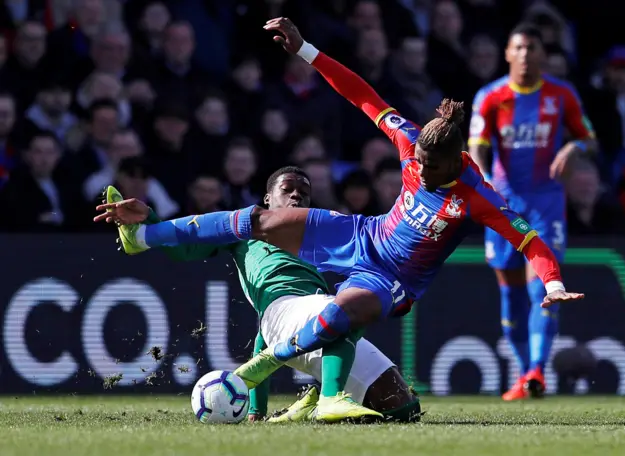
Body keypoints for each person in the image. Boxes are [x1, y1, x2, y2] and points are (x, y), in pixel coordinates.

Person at [96, 18, 583, 415]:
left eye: (435, 170)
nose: (423, 172)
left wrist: (553, 282)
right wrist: (306, 50)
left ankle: (267, 371)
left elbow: (531, 242)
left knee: (344, 316)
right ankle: (144, 234)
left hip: (391, 278)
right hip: (363, 234)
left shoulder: (478, 195)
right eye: (420, 165)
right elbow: (361, 94)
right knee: (260, 220)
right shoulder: (413, 144)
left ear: (458, 162)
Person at [98, 166, 419, 424]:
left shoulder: (316, 236)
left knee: (403, 408)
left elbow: (263, 342)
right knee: (345, 308)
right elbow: (187, 248)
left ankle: (316, 399)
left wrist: (256, 412)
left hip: (314, 322)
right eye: (288, 190)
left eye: (304, 193)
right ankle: (329, 398)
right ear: (267, 199)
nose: (296, 196)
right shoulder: (246, 231)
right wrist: (150, 222)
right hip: (292, 312)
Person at [467, 23, 597, 401]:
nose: (525, 54)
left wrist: (572, 149)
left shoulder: (562, 95)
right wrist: (485, 179)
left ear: (542, 54)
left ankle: (537, 369)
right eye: (518, 48)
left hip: (546, 202)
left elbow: (589, 138)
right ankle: (527, 375)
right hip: (503, 203)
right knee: (509, 293)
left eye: (532, 48)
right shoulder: (490, 96)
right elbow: (477, 144)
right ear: (508, 53)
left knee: (541, 286)